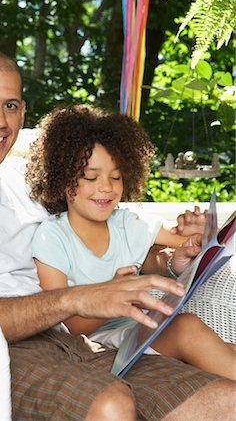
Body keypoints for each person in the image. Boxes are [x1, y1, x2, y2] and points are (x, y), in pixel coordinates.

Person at [0, 48, 235, 421]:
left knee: (226, 399)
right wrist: (75, 300)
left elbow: (103, 235)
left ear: (23, 111)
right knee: (111, 406)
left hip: (82, 343)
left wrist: (175, 256)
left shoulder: (29, 184)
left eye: (11, 105)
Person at [27, 104, 236, 380]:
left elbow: (183, 243)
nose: (107, 187)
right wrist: (113, 295)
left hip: (138, 333)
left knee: (226, 347)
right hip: (93, 346)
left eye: (116, 177)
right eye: (91, 177)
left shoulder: (125, 222)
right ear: (62, 179)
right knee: (188, 330)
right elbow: (65, 322)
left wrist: (195, 238)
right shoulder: (51, 237)